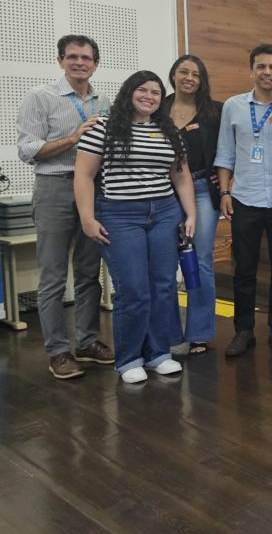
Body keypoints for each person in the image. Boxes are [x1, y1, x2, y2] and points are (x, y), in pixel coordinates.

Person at [74, 71, 197, 384]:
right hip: (120, 215)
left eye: (156, 92)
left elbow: (181, 176)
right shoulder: (103, 127)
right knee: (133, 289)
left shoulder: (168, 130)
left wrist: (190, 214)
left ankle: (158, 353)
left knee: (163, 285)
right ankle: (129, 358)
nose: (149, 97)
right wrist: (87, 218)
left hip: (164, 213)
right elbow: (84, 175)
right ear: (128, 92)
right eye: (142, 90)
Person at [15, 35, 115, 379]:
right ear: (61, 61)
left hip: (93, 189)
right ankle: (58, 351)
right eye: (72, 57)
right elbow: (27, 150)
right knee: (54, 276)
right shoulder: (40, 97)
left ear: (95, 64)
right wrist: (73, 138)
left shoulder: (104, 101)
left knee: (89, 271)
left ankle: (87, 342)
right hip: (55, 187)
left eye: (86, 58)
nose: (79, 63)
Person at [214, 44, 272, 357]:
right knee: (244, 268)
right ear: (251, 71)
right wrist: (224, 192)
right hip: (244, 199)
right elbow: (225, 152)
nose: (267, 72)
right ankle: (243, 331)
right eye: (261, 66)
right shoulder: (233, 106)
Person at [164, 55, 222, 355]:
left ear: (202, 80)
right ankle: (168, 333)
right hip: (161, 192)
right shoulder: (157, 108)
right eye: (183, 72)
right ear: (173, 75)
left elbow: (230, 149)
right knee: (164, 263)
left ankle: (199, 332)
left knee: (201, 260)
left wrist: (224, 178)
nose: (189, 78)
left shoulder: (214, 111)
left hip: (201, 191)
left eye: (196, 74)